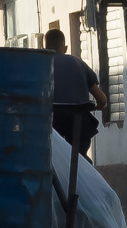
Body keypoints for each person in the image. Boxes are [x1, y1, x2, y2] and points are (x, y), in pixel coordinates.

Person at [44, 27, 107, 157]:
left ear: (44, 48)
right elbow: (102, 100)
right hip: (78, 127)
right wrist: (96, 107)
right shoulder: (78, 63)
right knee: (80, 157)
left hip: (50, 127)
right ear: (65, 48)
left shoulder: (40, 64)